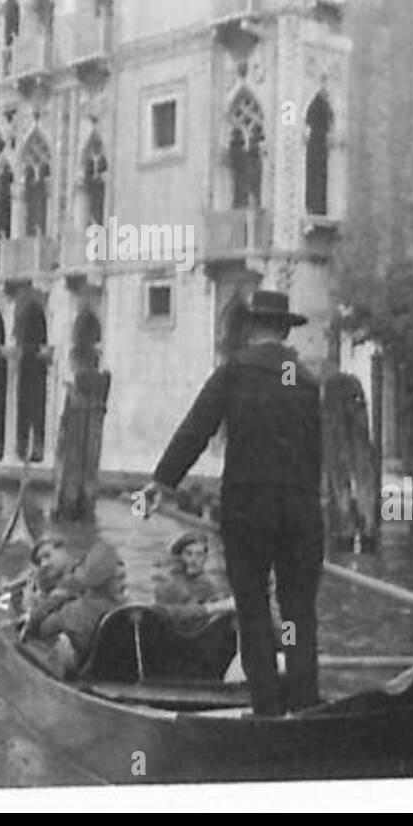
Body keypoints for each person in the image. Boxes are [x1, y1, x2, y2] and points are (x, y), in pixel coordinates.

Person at [141, 290, 324, 717]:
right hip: (301, 510)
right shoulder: (307, 380)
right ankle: (304, 704)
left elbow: (196, 430)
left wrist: (161, 483)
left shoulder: (235, 372)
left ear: (249, 328)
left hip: (249, 509)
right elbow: (316, 453)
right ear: (283, 331)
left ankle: (267, 711)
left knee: (254, 609)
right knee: (298, 612)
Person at [32, 541, 127, 676]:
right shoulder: (125, 610)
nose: (44, 563)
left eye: (47, 556)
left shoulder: (75, 608)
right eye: (40, 561)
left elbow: (38, 626)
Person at [153, 530, 235, 631]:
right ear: (179, 556)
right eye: (188, 554)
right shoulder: (168, 583)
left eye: (199, 554)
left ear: (205, 558)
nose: (193, 560)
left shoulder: (211, 584)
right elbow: (164, 613)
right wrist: (211, 608)